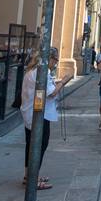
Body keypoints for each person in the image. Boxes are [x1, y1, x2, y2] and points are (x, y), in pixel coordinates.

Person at [22, 49, 69, 190]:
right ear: (50, 59)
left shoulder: (32, 71)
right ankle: (33, 180)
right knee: (40, 145)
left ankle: (29, 175)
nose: (56, 63)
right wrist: (65, 81)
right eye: (55, 60)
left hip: (30, 113)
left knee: (30, 145)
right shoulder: (42, 72)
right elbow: (51, 93)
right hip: (39, 115)